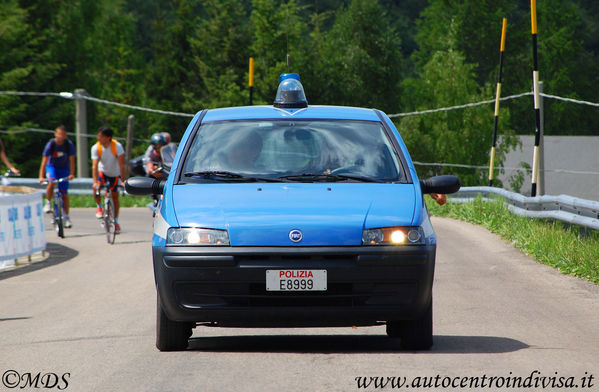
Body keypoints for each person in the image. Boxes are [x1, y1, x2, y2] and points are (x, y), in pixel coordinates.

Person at [38, 125, 76, 228]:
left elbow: (72, 160)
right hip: (52, 167)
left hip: (64, 169)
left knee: (64, 193)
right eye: (59, 134)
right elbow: (44, 161)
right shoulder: (51, 144)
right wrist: (41, 176)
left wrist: (72, 173)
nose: (61, 137)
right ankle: (48, 202)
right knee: (52, 181)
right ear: (55, 134)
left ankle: (66, 216)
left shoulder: (68, 145)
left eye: (63, 135)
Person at [91, 126, 126, 234]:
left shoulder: (117, 146)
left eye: (101, 137)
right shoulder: (96, 147)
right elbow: (94, 165)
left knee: (115, 197)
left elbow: (121, 164)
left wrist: (123, 180)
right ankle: (99, 207)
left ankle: (115, 221)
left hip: (114, 174)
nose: (99, 138)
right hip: (103, 172)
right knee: (96, 188)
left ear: (108, 138)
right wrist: (95, 181)